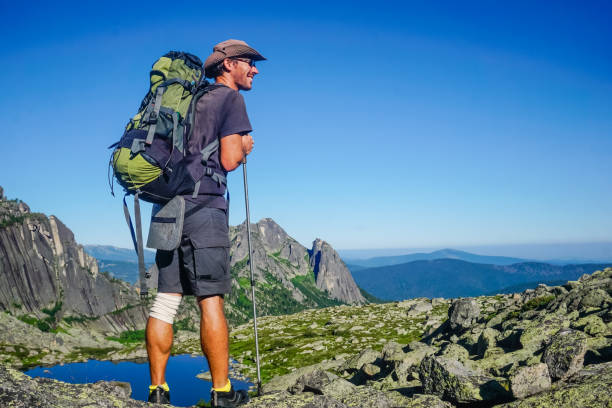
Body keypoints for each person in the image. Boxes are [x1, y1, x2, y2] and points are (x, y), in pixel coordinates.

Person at [145, 39, 265, 407]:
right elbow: (228, 160)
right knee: (210, 300)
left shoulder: (190, 100)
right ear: (227, 65)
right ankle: (222, 393)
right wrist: (245, 146)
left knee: (165, 302)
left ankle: (158, 391)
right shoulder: (230, 99)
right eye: (249, 62)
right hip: (204, 209)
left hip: (168, 207)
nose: (255, 69)